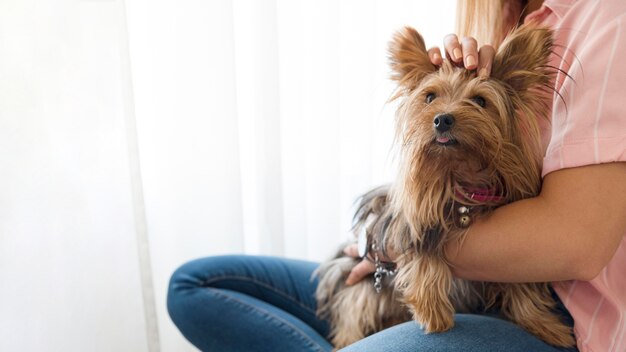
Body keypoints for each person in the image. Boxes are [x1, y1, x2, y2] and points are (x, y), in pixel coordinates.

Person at [167, 1, 626, 351]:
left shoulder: (606, 21)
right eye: (431, 102)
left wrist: (400, 244)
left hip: (550, 309)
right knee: (194, 285)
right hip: (401, 264)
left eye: (476, 103)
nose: (447, 115)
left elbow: (577, 244)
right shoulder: (503, 18)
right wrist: (387, 245)